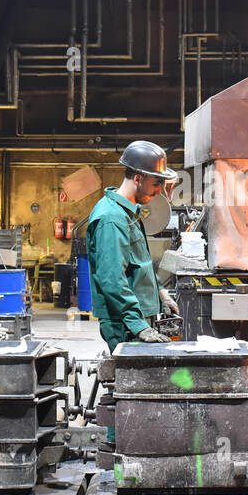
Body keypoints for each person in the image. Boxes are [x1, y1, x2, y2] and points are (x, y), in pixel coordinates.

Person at [85, 140, 181, 350]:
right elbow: (111, 279)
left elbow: (139, 263)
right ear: (138, 178)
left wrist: (161, 293)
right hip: (125, 324)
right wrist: (139, 326)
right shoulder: (112, 218)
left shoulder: (128, 213)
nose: (159, 192)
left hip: (135, 319)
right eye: (156, 185)